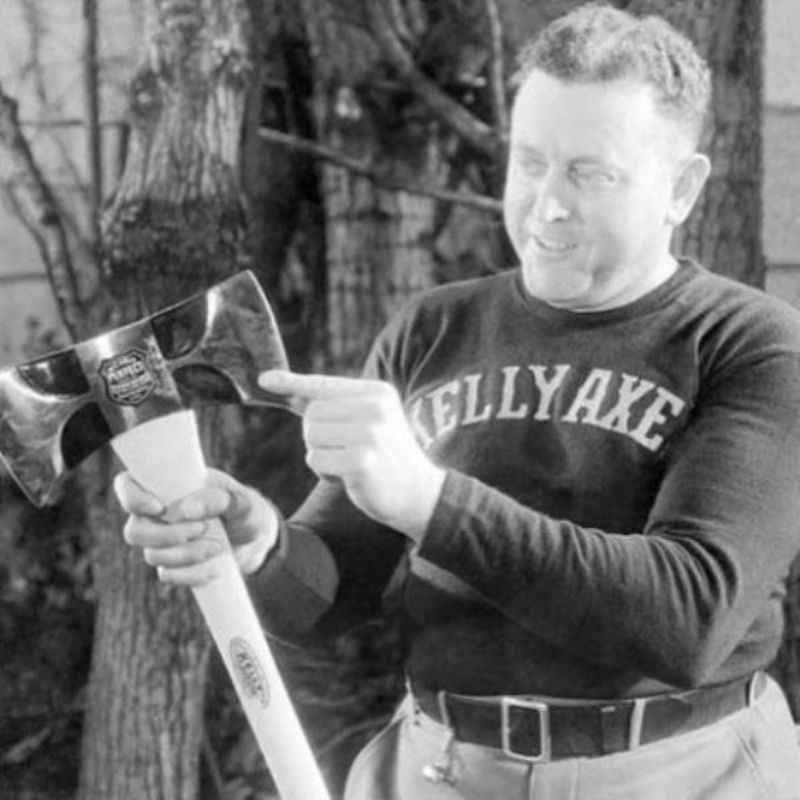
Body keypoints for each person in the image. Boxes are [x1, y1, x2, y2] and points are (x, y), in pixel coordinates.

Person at [116, 3, 800, 798]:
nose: (548, 204)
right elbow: (329, 594)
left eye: (591, 173)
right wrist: (260, 548)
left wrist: (432, 502)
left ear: (681, 187)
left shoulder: (752, 345)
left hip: (681, 771)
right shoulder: (434, 330)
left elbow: (687, 619)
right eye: (530, 162)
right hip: (443, 769)